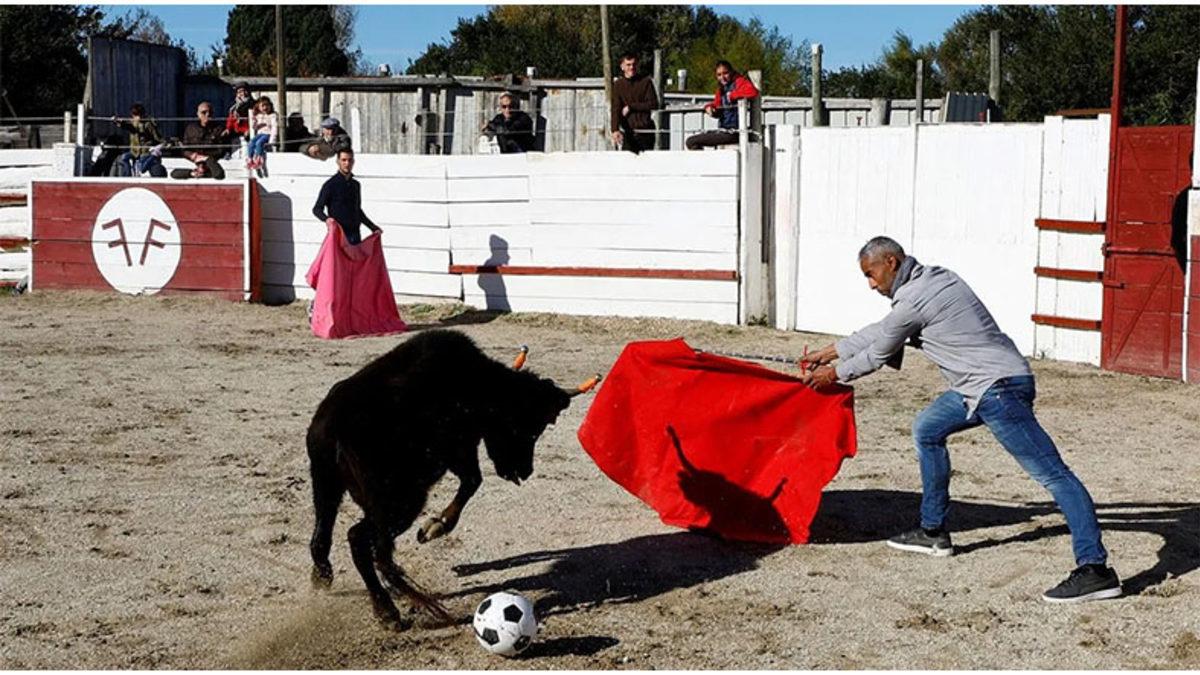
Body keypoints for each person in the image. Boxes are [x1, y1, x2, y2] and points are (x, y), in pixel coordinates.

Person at [798, 236, 1121, 604]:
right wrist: (830, 351)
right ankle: (932, 531)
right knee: (928, 429)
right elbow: (883, 330)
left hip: (995, 391)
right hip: (987, 386)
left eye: (871, 275)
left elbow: (879, 352)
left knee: (1055, 476)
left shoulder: (913, 299)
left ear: (890, 261)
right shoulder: (934, 279)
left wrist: (833, 373)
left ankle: (1095, 570)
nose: (871, 285)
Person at [685, 60, 759, 151]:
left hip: (735, 132)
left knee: (691, 141)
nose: (722, 77)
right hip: (724, 130)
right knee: (693, 141)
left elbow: (753, 92)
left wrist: (733, 95)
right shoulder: (722, 89)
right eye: (719, 75)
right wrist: (709, 108)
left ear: (731, 72)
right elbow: (717, 105)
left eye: (725, 73)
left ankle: (702, 163)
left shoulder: (739, 81)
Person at [312, 148, 381, 245]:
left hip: (355, 235)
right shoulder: (330, 185)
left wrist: (372, 227)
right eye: (344, 160)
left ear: (353, 162)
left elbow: (357, 211)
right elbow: (317, 209)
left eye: (349, 160)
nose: (347, 163)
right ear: (338, 161)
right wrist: (327, 219)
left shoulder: (355, 185)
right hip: (338, 236)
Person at [610, 52, 658, 154]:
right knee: (627, 163)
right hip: (628, 132)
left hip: (645, 130)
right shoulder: (618, 85)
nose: (631, 67)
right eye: (628, 65)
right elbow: (615, 108)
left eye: (634, 64)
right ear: (622, 67)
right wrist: (615, 129)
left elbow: (653, 104)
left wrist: (631, 107)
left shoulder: (646, 82)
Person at [177, 101, 229, 179]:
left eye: (210, 113)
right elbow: (184, 148)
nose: (207, 115)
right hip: (193, 160)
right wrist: (192, 155)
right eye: (204, 112)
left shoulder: (219, 129)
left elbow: (221, 150)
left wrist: (205, 158)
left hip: (211, 162)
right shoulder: (190, 129)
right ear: (198, 114)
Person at [112, 103, 166, 177]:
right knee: (123, 158)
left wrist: (162, 144)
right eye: (136, 115)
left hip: (145, 151)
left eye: (139, 115)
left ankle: (153, 157)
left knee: (142, 168)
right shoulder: (132, 122)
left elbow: (157, 137)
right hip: (134, 151)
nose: (138, 117)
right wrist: (117, 121)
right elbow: (128, 126)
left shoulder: (148, 124)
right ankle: (127, 176)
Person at [246, 96, 278, 170]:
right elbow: (255, 128)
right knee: (251, 142)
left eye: (267, 105)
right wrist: (254, 122)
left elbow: (274, 128)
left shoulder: (272, 115)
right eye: (262, 106)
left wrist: (272, 140)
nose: (265, 107)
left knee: (259, 143)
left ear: (270, 106)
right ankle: (250, 159)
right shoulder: (258, 116)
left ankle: (258, 159)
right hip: (260, 134)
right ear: (259, 107)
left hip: (267, 134)